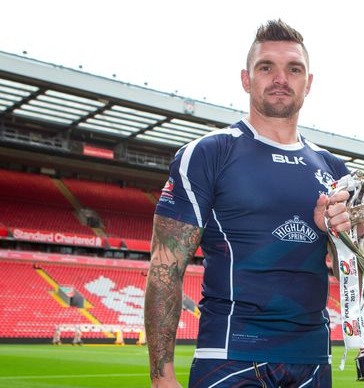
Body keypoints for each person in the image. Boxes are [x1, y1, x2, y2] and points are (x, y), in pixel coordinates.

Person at [145, 19, 350, 388]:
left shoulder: (334, 170)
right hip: (230, 357)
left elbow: (352, 273)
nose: (280, 78)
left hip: (313, 361)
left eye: (293, 69)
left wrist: (338, 234)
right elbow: (165, 268)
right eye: (266, 67)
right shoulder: (208, 154)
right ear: (246, 79)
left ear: (309, 82)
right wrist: (162, 376)